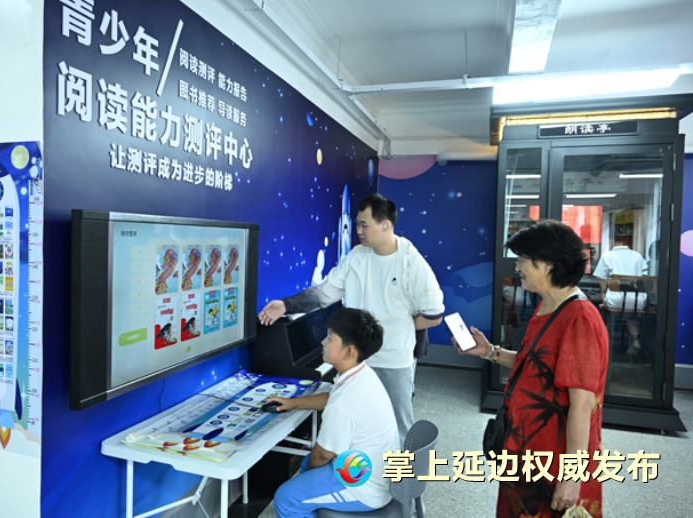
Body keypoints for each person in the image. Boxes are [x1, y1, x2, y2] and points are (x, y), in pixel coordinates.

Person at [258, 193, 445, 444]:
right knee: (352, 415)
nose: (358, 230)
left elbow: (433, 315)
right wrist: (286, 305)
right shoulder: (357, 257)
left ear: (385, 225)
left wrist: (400, 327)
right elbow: (324, 293)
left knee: (397, 425)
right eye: (357, 224)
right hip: (356, 357)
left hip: (393, 359)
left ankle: (398, 471)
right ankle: (357, 467)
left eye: (364, 225)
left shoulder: (411, 262)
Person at [453, 220, 608, 517]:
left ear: (548, 264)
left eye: (523, 259)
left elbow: (582, 404)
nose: (517, 267)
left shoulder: (580, 318)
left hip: (554, 462)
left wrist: (572, 476)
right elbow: (537, 366)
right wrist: (490, 352)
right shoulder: (547, 305)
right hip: (526, 450)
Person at [271, 307, 399, 518]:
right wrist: (293, 403)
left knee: (286, 498)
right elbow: (331, 396)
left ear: (348, 352)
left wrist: (306, 481)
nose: (323, 342)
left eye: (330, 338)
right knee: (306, 464)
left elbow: (322, 454)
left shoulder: (344, 403)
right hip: (373, 470)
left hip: (363, 487)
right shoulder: (362, 374)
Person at [593, 237, 648, 358]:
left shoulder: (607, 255)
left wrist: (603, 296)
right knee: (632, 311)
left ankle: (604, 341)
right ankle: (635, 340)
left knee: (606, 309)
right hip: (637, 301)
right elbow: (644, 277)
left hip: (615, 301)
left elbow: (601, 279)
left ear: (614, 242)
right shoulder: (637, 256)